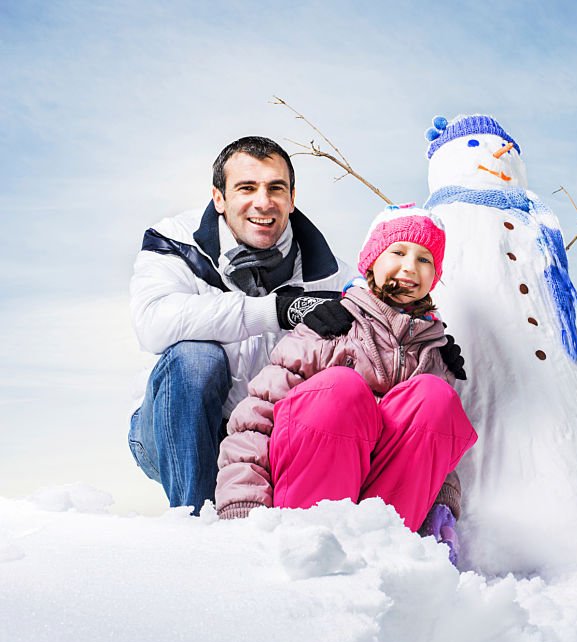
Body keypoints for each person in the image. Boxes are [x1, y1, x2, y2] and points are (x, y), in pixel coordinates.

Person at [215, 205, 477, 563]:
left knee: (435, 398)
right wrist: (242, 505)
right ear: (370, 262)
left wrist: (442, 509)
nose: (409, 267)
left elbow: (438, 456)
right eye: (397, 252)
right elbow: (255, 420)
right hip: (307, 502)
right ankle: (312, 543)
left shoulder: (435, 355)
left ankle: (386, 551)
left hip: (389, 514)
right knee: (341, 388)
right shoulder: (330, 326)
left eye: (424, 259)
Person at [128, 136, 360, 514]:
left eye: (275, 188)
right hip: (172, 430)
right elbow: (153, 322)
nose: (263, 202)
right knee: (196, 357)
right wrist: (276, 310)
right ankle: (193, 521)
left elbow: (382, 312)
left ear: (292, 197)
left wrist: (429, 334)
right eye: (246, 188)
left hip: (263, 440)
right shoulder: (175, 241)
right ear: (219, 197)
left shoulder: (329, 274)